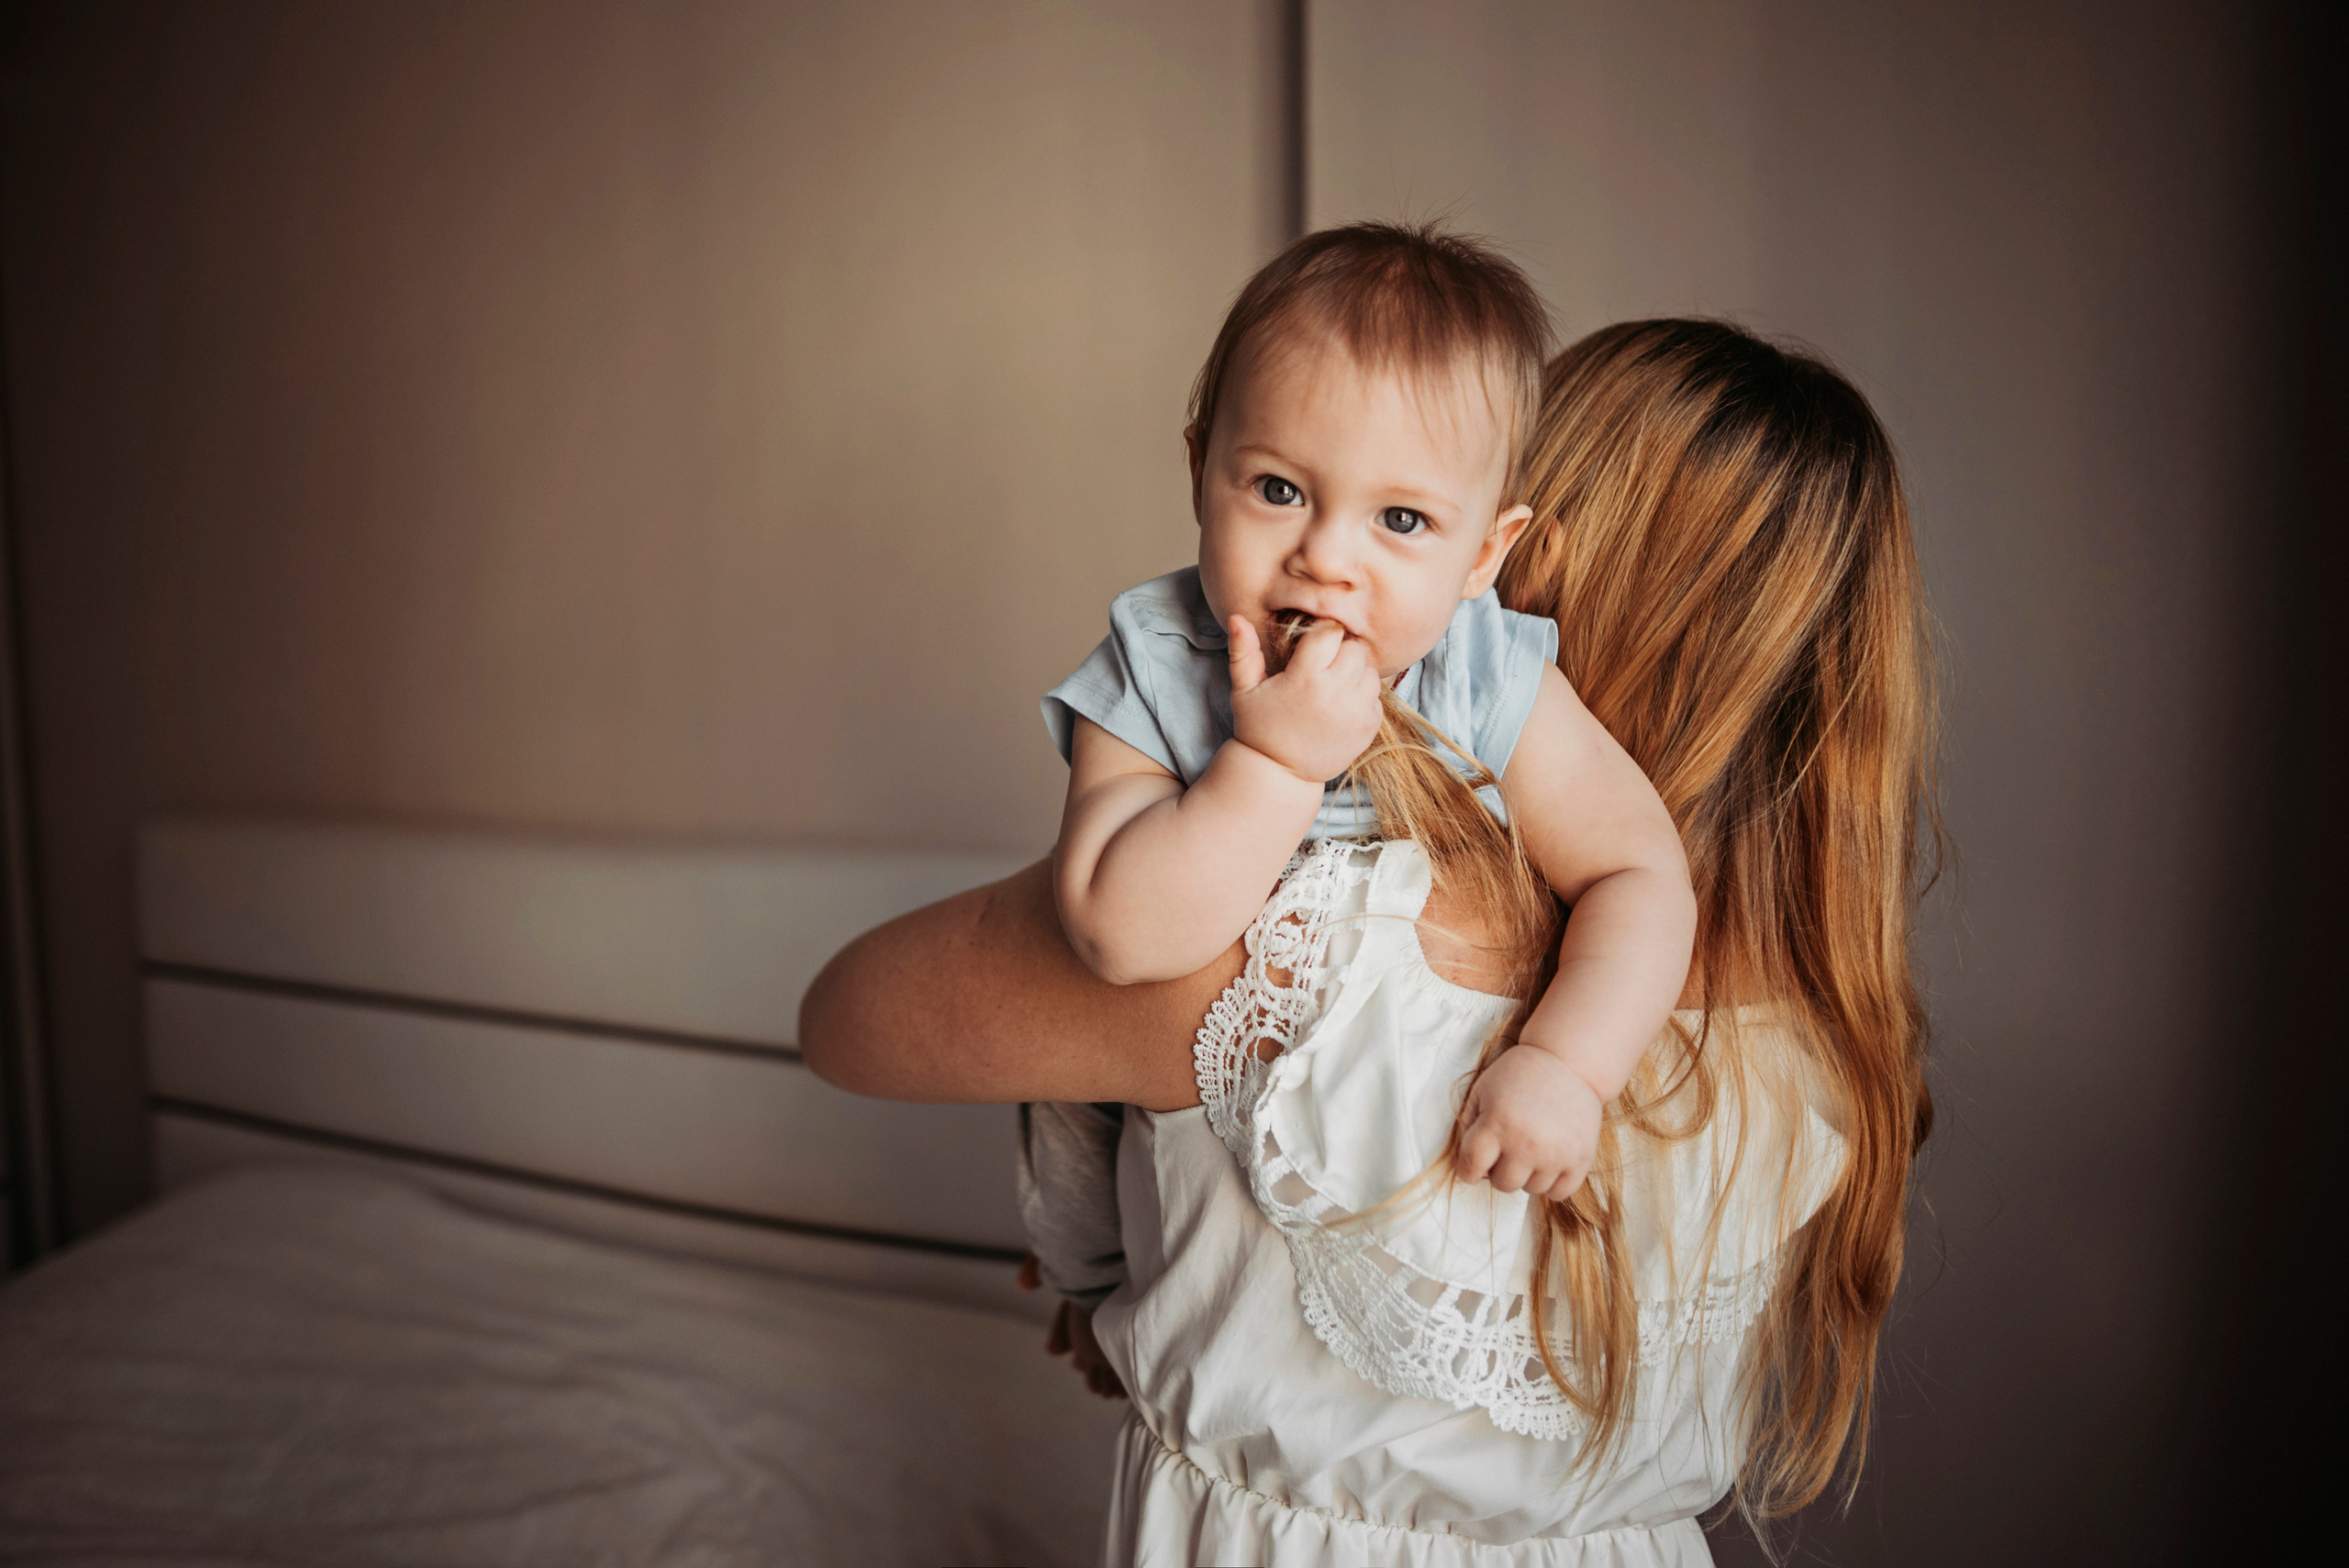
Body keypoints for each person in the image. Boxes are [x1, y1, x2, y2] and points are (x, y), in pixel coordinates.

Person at [802, 316, 1938, 1565]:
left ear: (1510, 556)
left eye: (1407, 514)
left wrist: (1195, 809)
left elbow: (850, 1017)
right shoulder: (1831, 1022)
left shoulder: (1303, 948)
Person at [1041, 222, 1695, 1236]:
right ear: (1198, 470)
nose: (1326, 558)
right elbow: (1113, 936)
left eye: (1400, 521)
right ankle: (1086, 1291)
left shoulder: (1479, 672)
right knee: (1063, 1137)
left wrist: (1568, 1062)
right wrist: (1273, 760)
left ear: (1485, 553)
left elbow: (1638, 874)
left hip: (1419, 1159)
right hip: (1178, 1169)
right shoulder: (1159, 661)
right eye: (1278, 490)